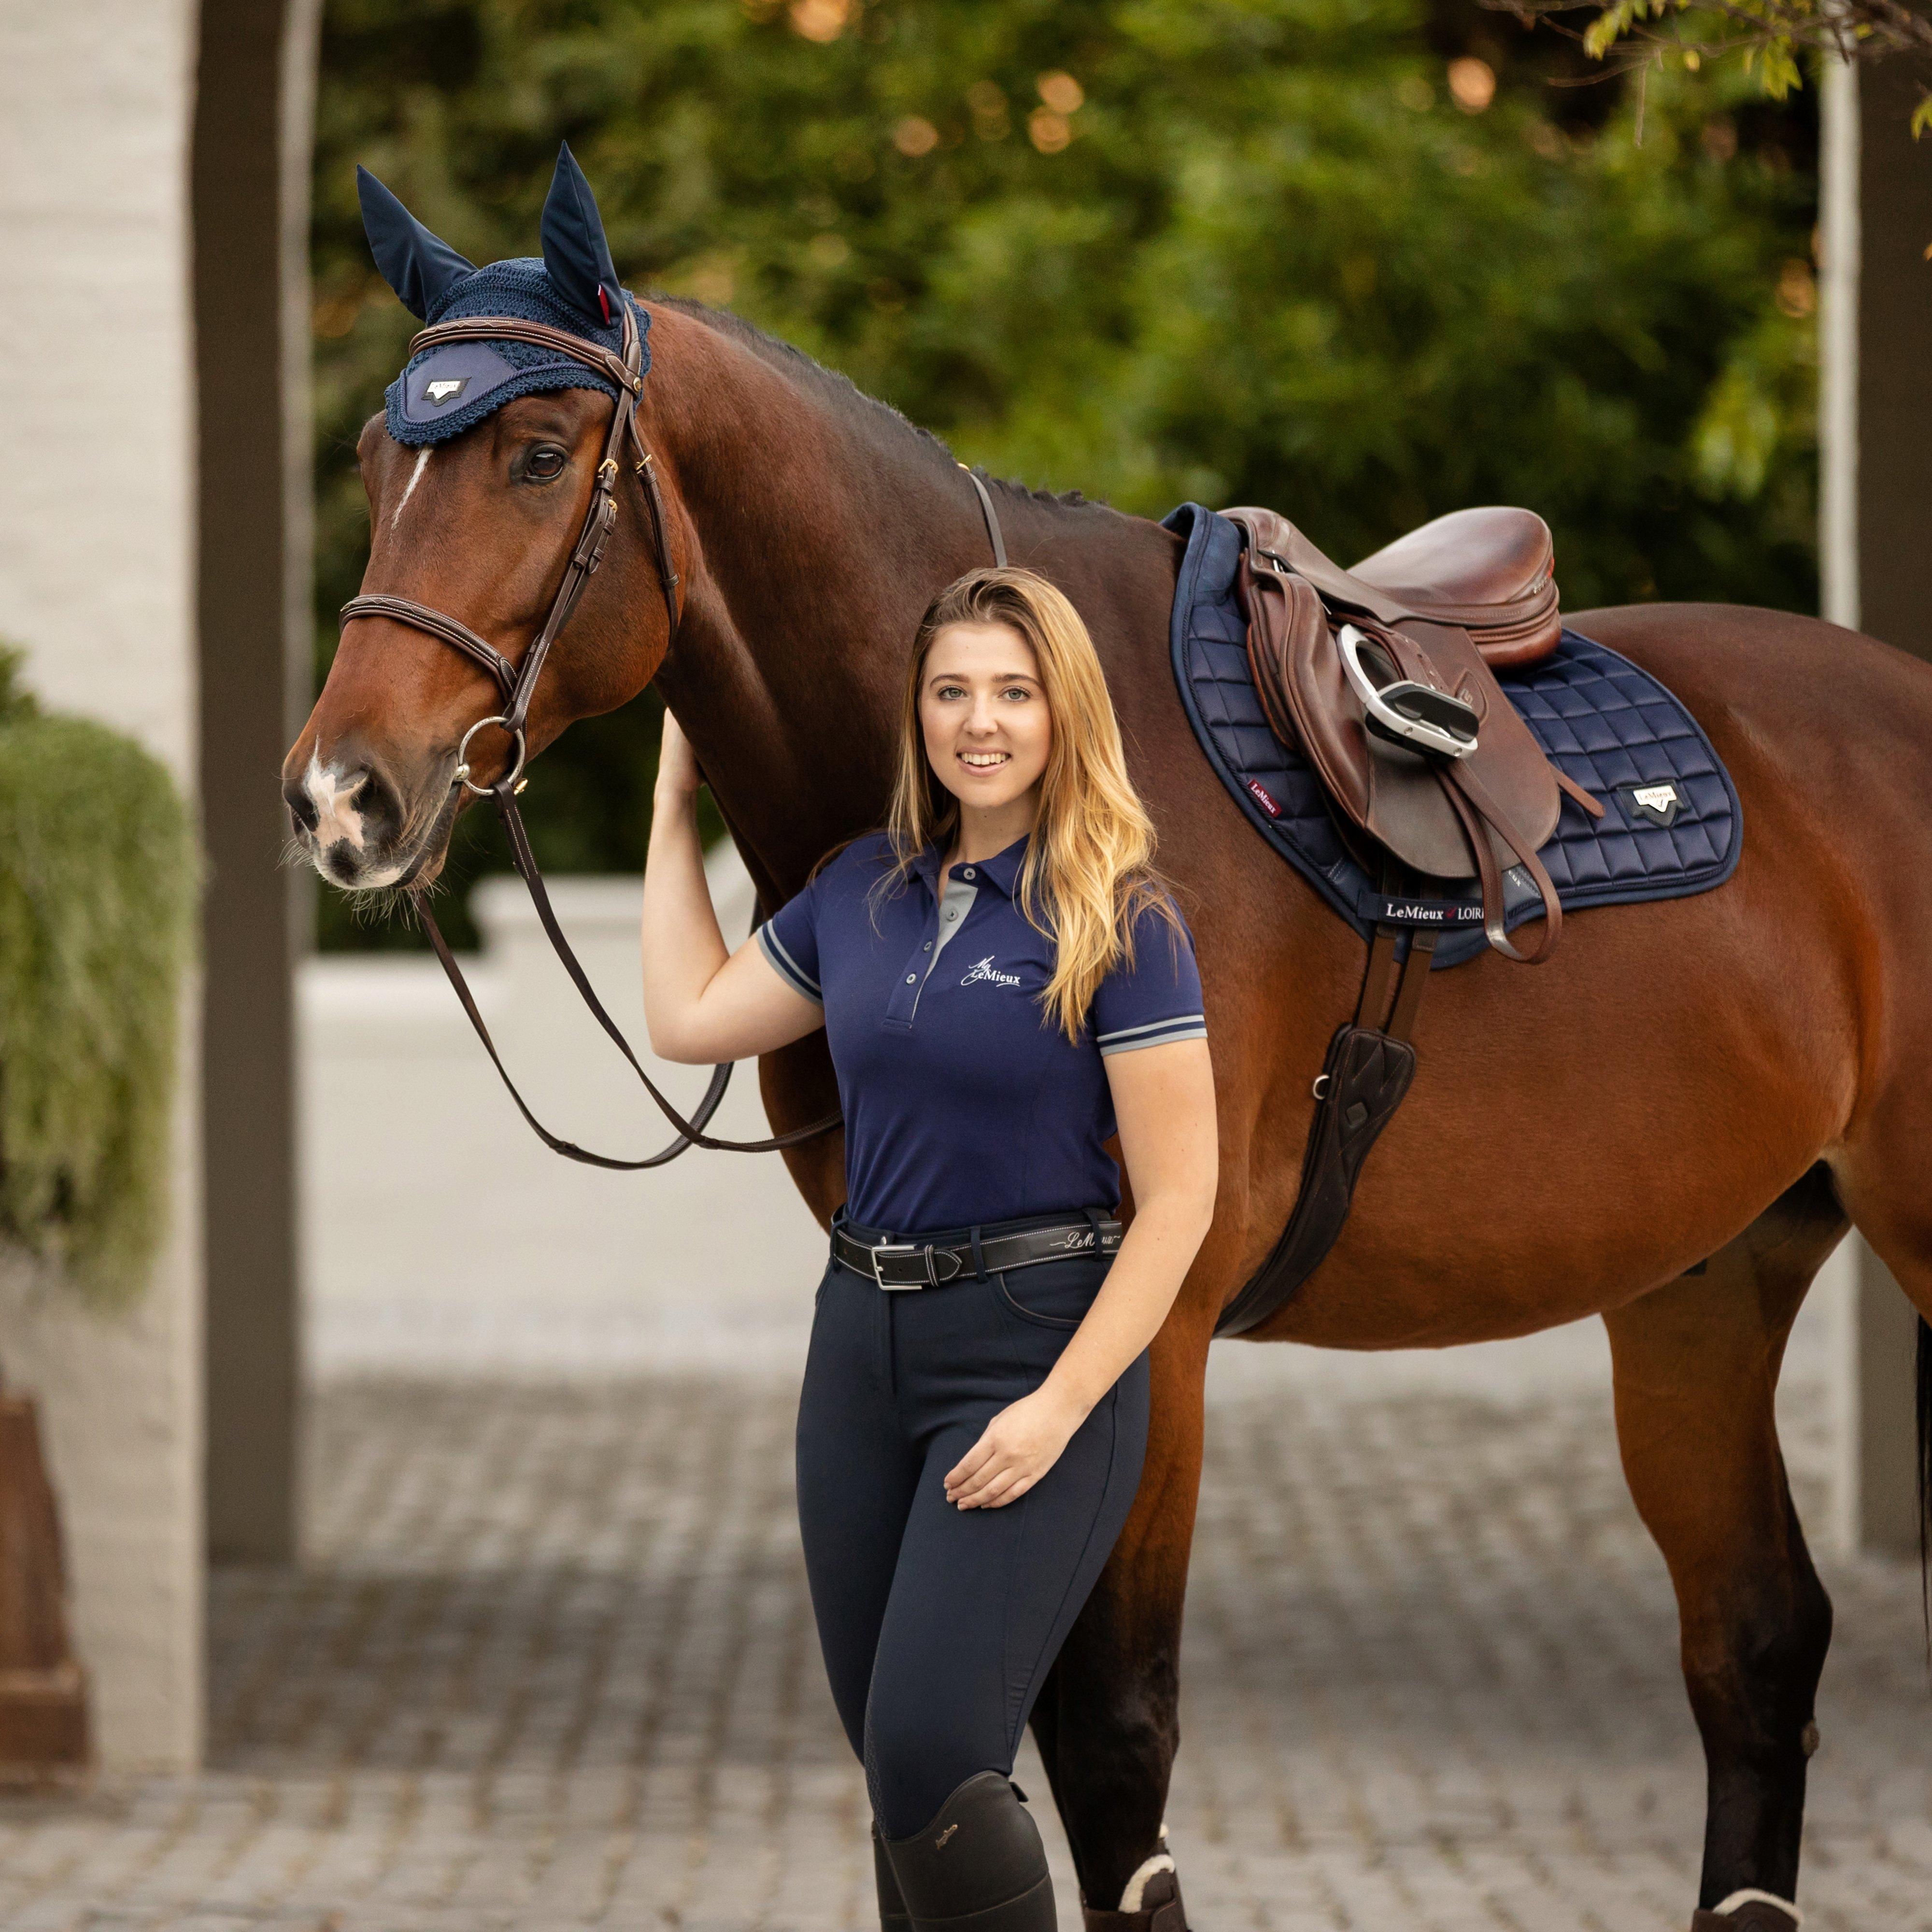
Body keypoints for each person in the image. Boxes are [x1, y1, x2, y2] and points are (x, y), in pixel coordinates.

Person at [640, 567, 1218, 1931]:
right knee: (898, 1771)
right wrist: (673, 808)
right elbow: (693, 1017)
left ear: (1063, 715)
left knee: (931, 1759)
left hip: (1033, 1348)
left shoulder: (1124, 921)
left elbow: (1183, 1199)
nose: (981, 721)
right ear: (919, 713)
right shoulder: (860, 889)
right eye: (953, 691)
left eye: (1014, 694)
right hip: (860, 1352)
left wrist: (1060, 1407)